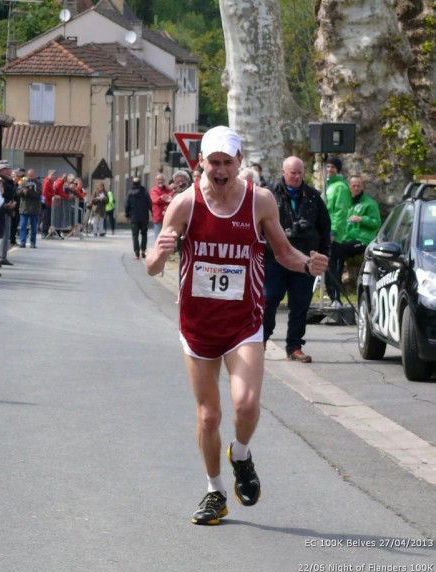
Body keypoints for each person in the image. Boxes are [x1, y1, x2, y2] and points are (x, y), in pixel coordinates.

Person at [145, 126, 328, 525]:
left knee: (245, 404)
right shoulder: (185, 204)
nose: (221, 170)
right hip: (198, 324)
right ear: (201, 163)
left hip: (243, 322)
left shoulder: (259, 201)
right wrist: (159, 254)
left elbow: (283, 252)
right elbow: (152, 265)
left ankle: (241, 455)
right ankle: (215, 492)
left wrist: (307, 264)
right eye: (214, 162)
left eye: (228, 162)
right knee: (209, 416)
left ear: (239, 162)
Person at [263, 156, 331, 362]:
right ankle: (261, 341)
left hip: (303, 262)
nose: (297, 177)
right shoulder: (268, 195)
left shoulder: (312, 197)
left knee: (300, 305)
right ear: (283, 172)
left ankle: (294, 347)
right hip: (273, 259)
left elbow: (325, 228)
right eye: (293, 173)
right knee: (268, 301)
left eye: (300, 173)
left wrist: (322, 257)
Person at [332, 175, 382, 287]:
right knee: (333, 249)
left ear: (362, 186)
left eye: (358, 186)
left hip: (363, 240)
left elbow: (377, 223)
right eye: (353, 186)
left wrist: (362, 219)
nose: (356, 188)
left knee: (339, 250)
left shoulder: (370, 203)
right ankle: (333, 285)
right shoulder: (345, 203)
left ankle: (336, 286)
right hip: (346, 238)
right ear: (349, 186)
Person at [323, 157, 352, 307]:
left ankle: (336, 298)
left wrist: (333, 232)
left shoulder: (340, 187)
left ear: (338, 169)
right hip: (325, 231)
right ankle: (332, 298)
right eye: (327, 167)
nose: (329, 170)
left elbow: (340, 212)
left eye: (333, 167)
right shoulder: (328, 185)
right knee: (326, 265)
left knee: (333, 267)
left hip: (334, 234)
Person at [0, 160, 17, 266]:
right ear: (1, 170)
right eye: (6, 169)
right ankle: (1, 257)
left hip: (7, 208)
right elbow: (9, 192)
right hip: (2, 208)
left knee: (5, 233)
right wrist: (11, 181)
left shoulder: (6, 180)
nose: (8, 171)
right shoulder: (0, 180)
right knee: (4, 233)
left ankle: (2, 256)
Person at [125, 177, 151, 259]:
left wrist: (127, 215)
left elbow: (127, 205)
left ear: (133, 183)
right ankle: (143, 251)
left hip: (134, 217)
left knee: (135, 235)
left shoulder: (130, 193)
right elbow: (150, 203)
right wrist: (152, 212)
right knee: (144, 234)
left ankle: (137, 253)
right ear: (140, 183)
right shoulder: (145, 192)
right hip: (144, 216)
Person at [17, 168, 41, 249]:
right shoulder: (23, 182)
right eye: (29, 175)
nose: (31, 177)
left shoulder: (38, 183)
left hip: (34, 208)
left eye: (32, 175)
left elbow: (38, 194)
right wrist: (23, 191)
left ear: (34, 175)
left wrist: (28, 191)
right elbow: (18, 192)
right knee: (23, 226)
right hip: (24, 208)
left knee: (34, 227)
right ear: (27, 175)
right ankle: (22, 242)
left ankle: (33, 242)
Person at [149, 173, 172, 240]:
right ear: (156, 181)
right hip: (158, 218)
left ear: (164, 180)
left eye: (162, 179)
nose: (160, 181)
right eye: (158, 179)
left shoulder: (168, 189)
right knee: (158, 238)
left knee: (167, 238)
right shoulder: (153, 190)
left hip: (167, 217)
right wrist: (166, 198)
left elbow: (171, 196)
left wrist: (162, 197)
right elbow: (156, 200)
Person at [41, 170, 56, 238]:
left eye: (54, 175)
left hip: (49, 203)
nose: (53, 176)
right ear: (49, 174)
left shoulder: (50, 182)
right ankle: (44, 232)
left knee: (48, 218)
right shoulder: (47, 181)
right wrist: (53, 195)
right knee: (46, 218)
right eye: (52, 175)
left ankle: (47, 232)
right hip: (46, 202)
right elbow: (44, 192)